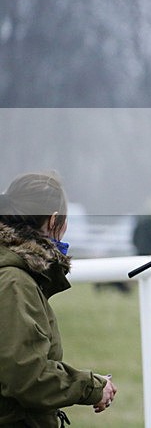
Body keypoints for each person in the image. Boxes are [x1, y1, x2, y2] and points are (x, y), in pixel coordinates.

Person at [0, 171, 117, 426]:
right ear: (54, 221)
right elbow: (27, 378)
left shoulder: (15, 275)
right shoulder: (14, 282)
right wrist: (93, 387)